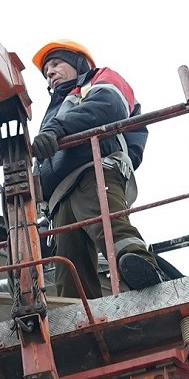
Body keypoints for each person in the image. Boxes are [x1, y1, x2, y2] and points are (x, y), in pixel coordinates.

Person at [30, 40, 165, 299]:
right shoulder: (53, 111)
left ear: (78, 63)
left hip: (93, 168)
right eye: (47, 70)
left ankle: (139, 266)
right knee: (68, 267)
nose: (50, 73)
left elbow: (108, 105)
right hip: (59, 196)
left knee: (107, 223)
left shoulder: (99, 79)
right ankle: (78, 316)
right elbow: (43, 161)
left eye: (56, 63)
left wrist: (59, 129)